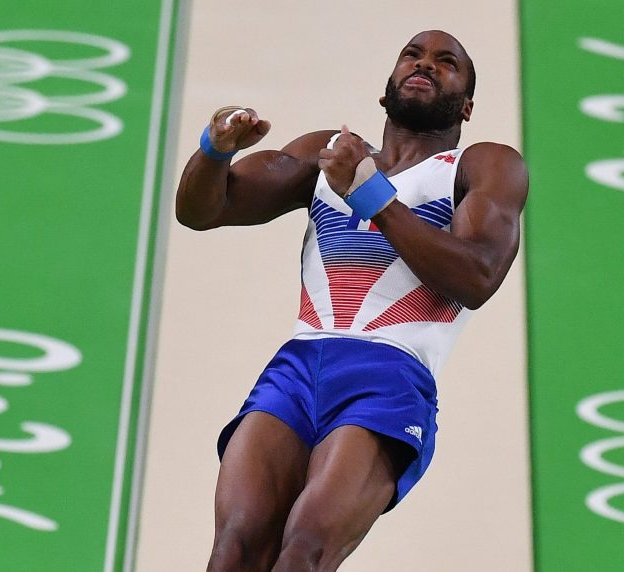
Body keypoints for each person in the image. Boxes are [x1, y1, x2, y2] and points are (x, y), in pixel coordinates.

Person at [176, 29, 528, 572]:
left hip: (387, 376)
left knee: (304, 552)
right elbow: (202, 210)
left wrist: (369, 193)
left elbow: (477, 276)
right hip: (297, 366)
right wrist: (215, 149)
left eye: (446, 62)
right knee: (234, 551)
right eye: (412, 55)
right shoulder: (330, 155)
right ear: (385, 92)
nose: (426, 64)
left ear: (468, 103)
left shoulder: (481, 166)